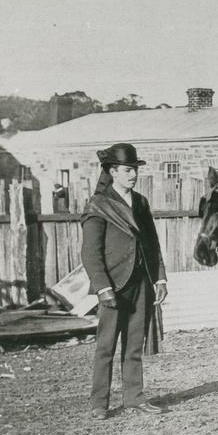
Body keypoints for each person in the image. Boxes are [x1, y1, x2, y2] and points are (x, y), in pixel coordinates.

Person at [81, 143, 168, 419]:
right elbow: (90, 252)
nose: (133, 175)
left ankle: (135, 397)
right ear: (112, 171)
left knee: (134, 345)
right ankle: (99, 403)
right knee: (106, 346)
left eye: (135, 170)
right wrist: (102, 286)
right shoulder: (99, 204)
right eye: (128, 170)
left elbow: (152, 244)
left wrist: (160, 279)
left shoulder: (140, 202)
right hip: (114, 286)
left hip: (141, 282)